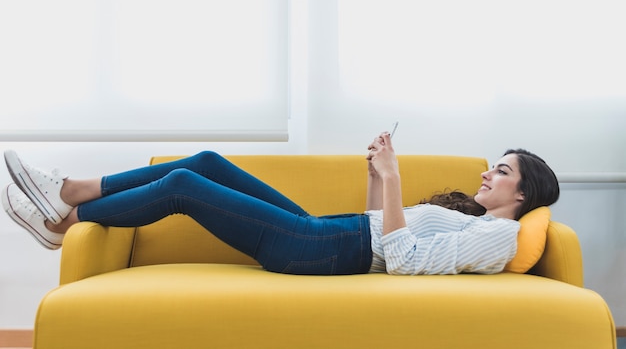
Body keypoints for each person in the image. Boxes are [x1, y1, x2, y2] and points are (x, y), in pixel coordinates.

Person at [2, 133, 559, 275]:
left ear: (523, 194)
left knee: (182, 189)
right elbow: (388, 232)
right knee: (205, 164)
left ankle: (66, 217)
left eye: (502, 171)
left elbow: (405, 262)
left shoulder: (501, 237)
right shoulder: (475, 221)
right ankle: (70, 191)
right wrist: (375, 178)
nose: (488, 172)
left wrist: (394, 180)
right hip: (326, 232)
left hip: (316, 250)